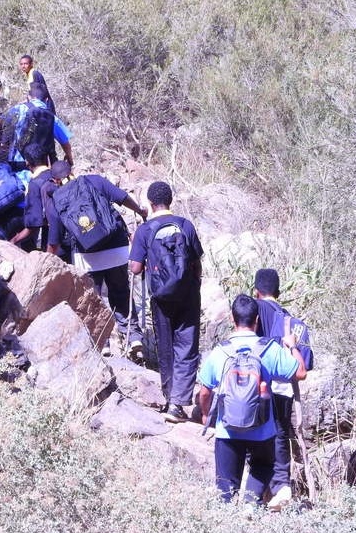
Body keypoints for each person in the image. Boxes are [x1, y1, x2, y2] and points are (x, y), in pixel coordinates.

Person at [197, 294, 307, 505]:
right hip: (263, 430)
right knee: (264, 466)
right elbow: (301, 372)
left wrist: (205, 414)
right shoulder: (269, 350)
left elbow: (204, 391)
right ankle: (250, 505)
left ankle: (226, 514)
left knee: (225, 489)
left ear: (232, 319)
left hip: (227, 429)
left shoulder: (220, 352)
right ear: (257, 320)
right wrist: (292, 346)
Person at [46, 161, 147, 357]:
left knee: (94, 299)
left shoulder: (56, 199)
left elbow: (55, 239)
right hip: (116, 248)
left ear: (55, 180)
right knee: (121, 292)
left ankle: (103, 342)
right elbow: (123, 197)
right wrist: (140, 211)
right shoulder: (94, 181)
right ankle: (133, 337)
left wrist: (47, 259)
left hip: (86, 255)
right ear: (72, 172)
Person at [128, 181, 204, 422]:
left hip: (160, 297)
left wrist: (135, 248)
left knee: (166, 346)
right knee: (187, 347)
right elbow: (197, 262)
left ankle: (170, 398)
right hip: (188, 294)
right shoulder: (185, 225)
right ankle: (178, 404)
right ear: (170, 201)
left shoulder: (145, 230)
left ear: (150, 204)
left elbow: (136, 269)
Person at [254, 268, 314, 508]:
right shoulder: (295, 324)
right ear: (279, 292)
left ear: (256, 292)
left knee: (256, 433)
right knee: (280, 434)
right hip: (284, 389)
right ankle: (281, 486)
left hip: (255, 386)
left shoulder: (253, 313)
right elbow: (305, 365)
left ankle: (258, 489)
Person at [1, 84, 73, 171]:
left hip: (16, 162)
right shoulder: (51, 117)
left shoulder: (16, 109)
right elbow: (65, 143)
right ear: (46, 100)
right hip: (39, 167)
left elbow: (2, 126)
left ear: (28, 97)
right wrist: (69, 158)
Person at [10, 143, 52, 251]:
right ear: (46, 158)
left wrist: (13, 241)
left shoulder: (34, 184)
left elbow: (33, 225)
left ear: (27, 162)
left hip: (53, 241)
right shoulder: (57, 174)